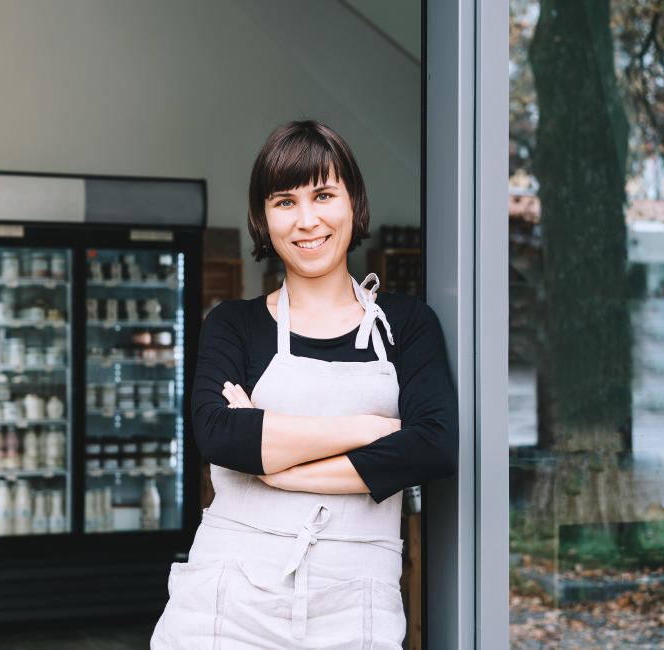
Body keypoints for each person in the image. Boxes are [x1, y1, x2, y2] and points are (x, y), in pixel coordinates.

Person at [151, 120, 458, 648]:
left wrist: (278, 469)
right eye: (284, 201)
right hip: (228, 601)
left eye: (323, 194)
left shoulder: (406, 324)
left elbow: (433, 446)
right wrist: (366, 430)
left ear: (354, 203)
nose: (307, 220)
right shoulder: (233, 324)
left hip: (357, 604)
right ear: (262, 218)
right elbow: (220, 435)